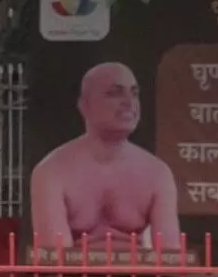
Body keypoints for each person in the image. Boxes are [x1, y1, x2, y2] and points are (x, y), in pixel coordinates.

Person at [29, 62, 180, 252]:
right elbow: (53, 259)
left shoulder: (158, 173)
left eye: (134, 93)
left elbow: (170, 257)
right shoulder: (51, 171)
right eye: (114, 93)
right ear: (85, 105)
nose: (129, 102)